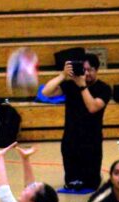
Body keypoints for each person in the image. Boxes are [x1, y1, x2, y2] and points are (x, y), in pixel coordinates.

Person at [41, 53, 112, 192]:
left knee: (91, 183)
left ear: (97, 70)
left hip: (92, 138)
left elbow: (92, 107)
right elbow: (46, 92)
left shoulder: (104, 88)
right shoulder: (70, 85)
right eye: (84, 70)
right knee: (72, 182)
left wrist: (82, 86)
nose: (87, 73)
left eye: (90, 70)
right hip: (71, 136)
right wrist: (63, 75)